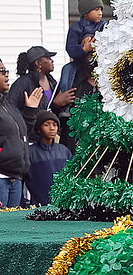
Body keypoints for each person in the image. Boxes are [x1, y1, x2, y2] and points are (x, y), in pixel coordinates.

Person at [0, 58, 42, 208]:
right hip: (1, 179)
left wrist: (30, 110)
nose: (6, 75)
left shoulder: (8, 105)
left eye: (6, 71)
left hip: (15, 178)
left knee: (11, 229)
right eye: (2, 72)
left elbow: (23, 133)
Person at [6, 47, 76, 137]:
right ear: (38, 63)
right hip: (32, 138)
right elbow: (11, 109)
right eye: (48, 58)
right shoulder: (22, 83)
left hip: (49, 139)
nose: (52, 61)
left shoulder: (52, 82)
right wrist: (55, 104)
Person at [24, 110, 72, 206]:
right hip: (39, 205)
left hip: (63, 204)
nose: (52, 128)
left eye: (55, 125)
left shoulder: (64, 151)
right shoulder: (30, 152)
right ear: (38, 129)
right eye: (47, 125)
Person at [61, 0, 106, 92]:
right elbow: (70, 49)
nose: (100, 13)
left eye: (101, 10)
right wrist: (84, 48)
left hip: (100, 62)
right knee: (67, 69)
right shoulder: (75, 28)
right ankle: (66, 94)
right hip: (80, 63)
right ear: (85, 13)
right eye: (96, 10)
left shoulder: (104, 26)